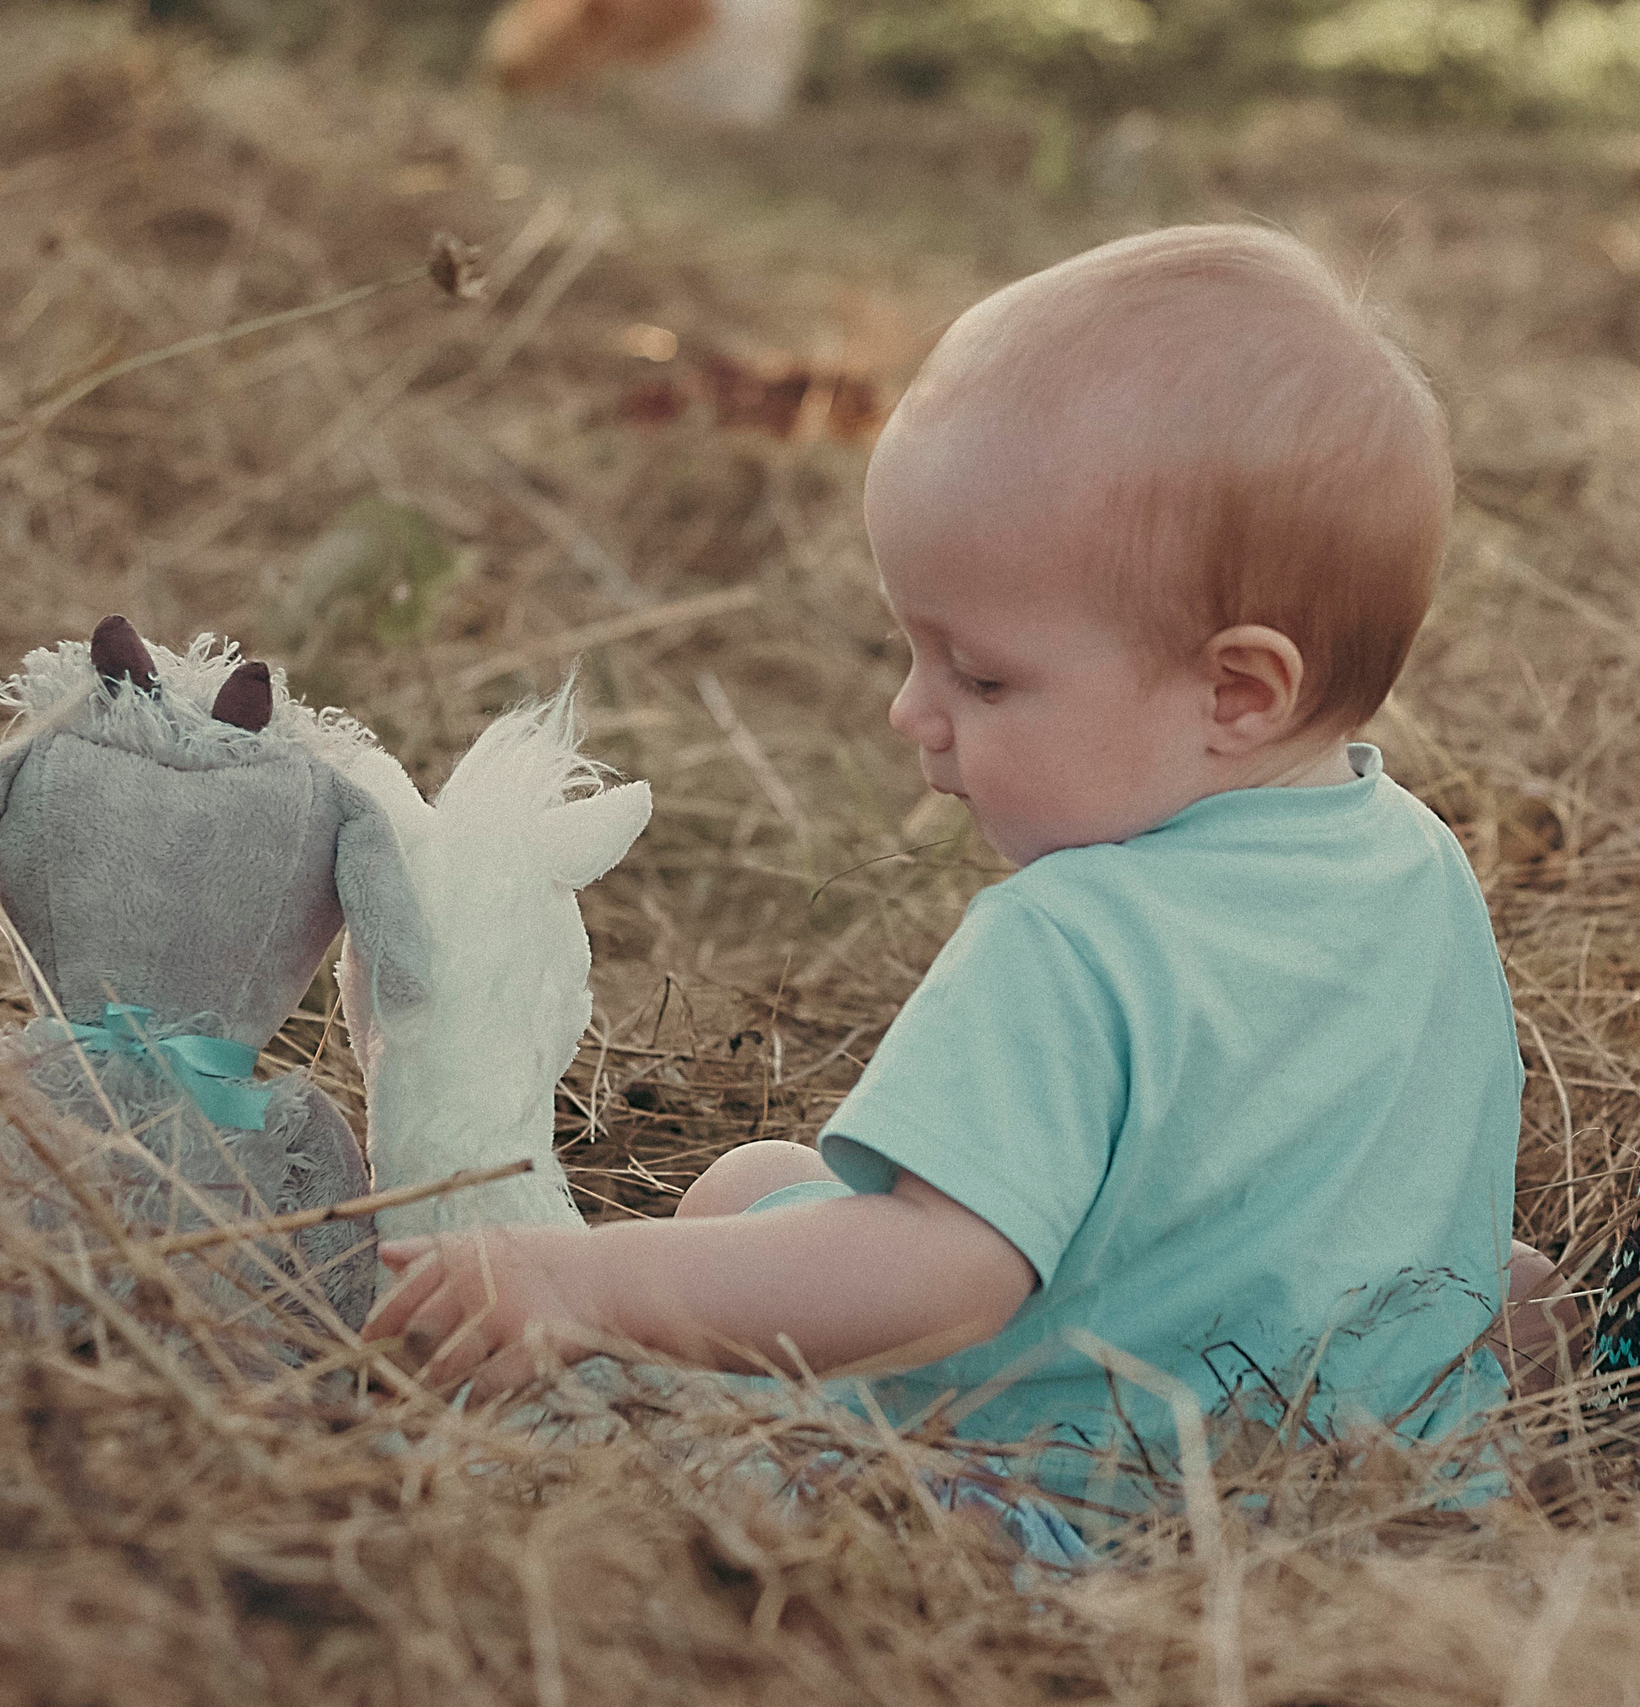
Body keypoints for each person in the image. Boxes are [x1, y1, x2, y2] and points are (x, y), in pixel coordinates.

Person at [365, 224, 1562, 1523]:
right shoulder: (1421, 865)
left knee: (710, 1307)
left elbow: (942, 1279)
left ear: (1236, 689)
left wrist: (583, 1286)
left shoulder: (1073, 940)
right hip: (1366, 1470)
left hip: (1062, 1505)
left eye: (981, 675)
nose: (910, 713)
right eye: (912, 650)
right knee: (759, 1182)